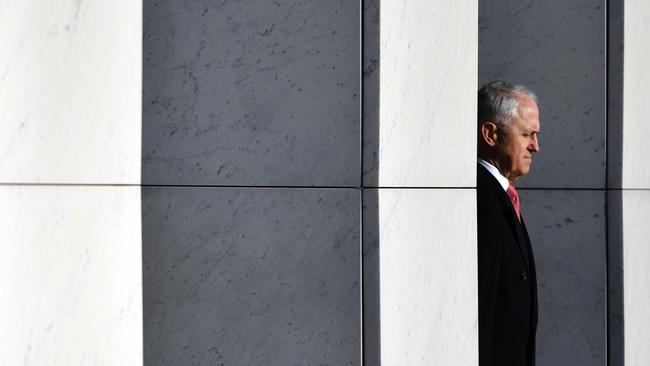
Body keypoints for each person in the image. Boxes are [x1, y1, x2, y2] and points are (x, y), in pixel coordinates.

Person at [477, 81, 541, 366]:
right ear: (490, 134)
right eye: (527, 134)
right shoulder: (480, 198)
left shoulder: (499, 194)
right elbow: (483, 306)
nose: (535, 146)